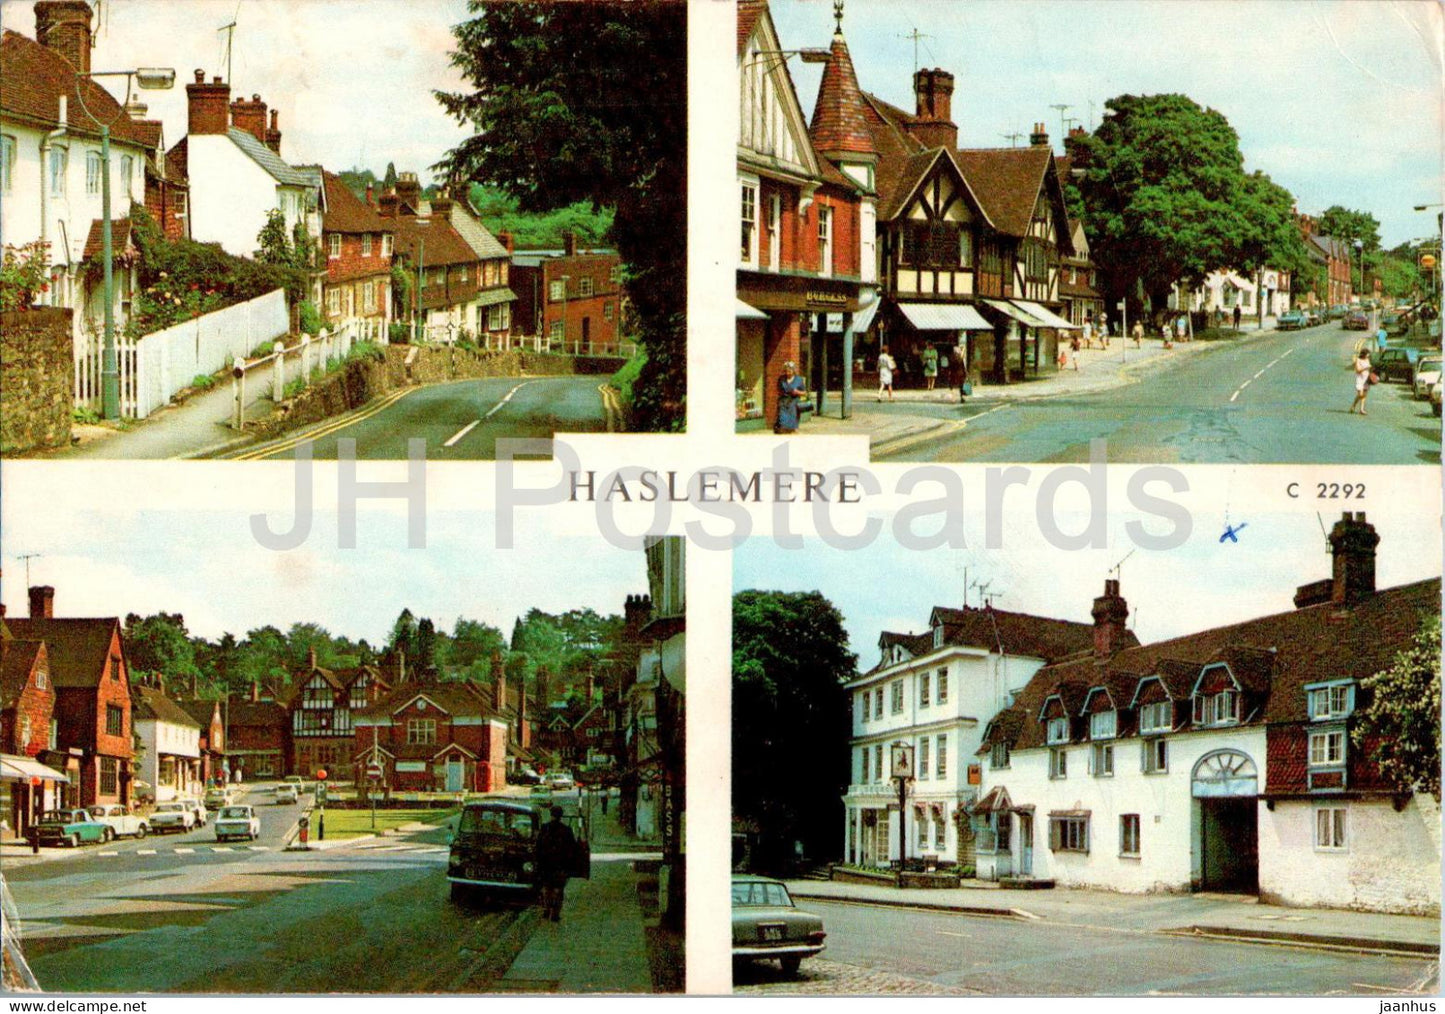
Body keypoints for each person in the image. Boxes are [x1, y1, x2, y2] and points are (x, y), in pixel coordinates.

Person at [536, 805, 577, 922]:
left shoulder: (545, 828)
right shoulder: (566, 830)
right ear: (561, 816)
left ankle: (546, 910)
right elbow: (572, 849)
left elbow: (538, 846)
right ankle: (555, 914)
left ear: (551, 815)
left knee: (546, 888)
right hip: (560, 865)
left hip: (546, 864)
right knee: (558, 889)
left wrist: (539, 862)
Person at [774, 361, 807, 434]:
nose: (787, 372)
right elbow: (778, 389)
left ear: (793, 370)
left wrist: (797, 392)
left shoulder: (799, 379)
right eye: (786, 370)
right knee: (782, 422)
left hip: (793, 403)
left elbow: (804, 393)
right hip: (783, 402)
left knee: (793, 425)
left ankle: (793, 434)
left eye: (789, 370)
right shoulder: (781, 379)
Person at [1349, 347, 1374, 415]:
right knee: (1360, 394)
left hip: (1366, 379)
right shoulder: (1358, 360)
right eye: (1367, 354)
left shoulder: (1367, 360)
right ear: (1363, 354)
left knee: (1364, 395)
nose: (1368, 355)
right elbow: (1358, 370)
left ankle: (1361, 409)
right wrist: (1365, 368)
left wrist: (1371, 371)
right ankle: (1353, 405)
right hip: (1360, 379)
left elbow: (1369, 369)